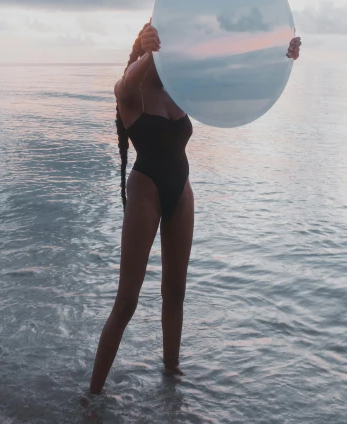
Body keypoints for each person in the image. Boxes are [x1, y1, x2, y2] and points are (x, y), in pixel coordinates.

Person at [89, 21, 302, 394]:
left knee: (176, 294)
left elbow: (236, 76)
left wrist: (280, 56)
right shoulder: (131, 91)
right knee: (127, 302)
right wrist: (143, 49)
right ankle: (92, 396)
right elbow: (123, 83)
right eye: (162, 46)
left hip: (181, 191)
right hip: (146, 190)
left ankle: (171, 377)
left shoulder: (180, 91)